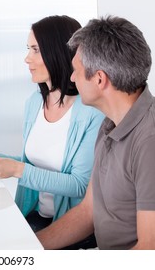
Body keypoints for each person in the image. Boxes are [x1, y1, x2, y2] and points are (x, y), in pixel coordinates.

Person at [0, 15, 104, 243]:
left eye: (36, 50)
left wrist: (17, 170)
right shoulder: (34, 103)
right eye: (28, 49)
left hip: (74, 228)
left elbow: (79, 185)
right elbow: (36, 163)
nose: (27, 59)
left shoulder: (92, 113)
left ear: (58, 51)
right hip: (36, 216)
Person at [36, 16, 155, 250]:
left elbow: (149, 249)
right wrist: (25, 252)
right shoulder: (110, 123)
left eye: (76, 71)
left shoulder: (149, 140)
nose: (71, 78)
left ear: (100, 79)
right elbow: (88, 211)